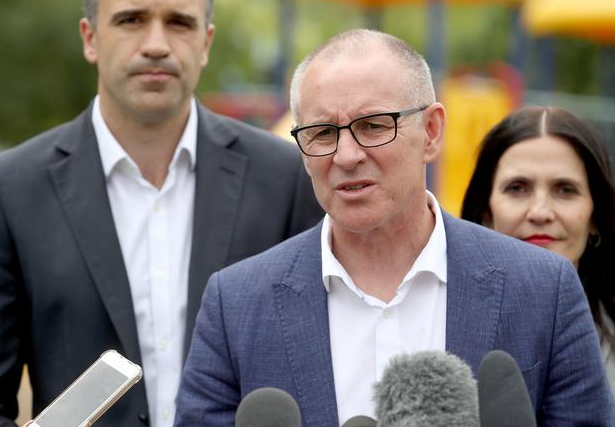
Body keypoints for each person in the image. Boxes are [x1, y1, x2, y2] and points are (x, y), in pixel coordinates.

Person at [174, 29, 615, 426]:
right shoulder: (235, 305)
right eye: (322, 133)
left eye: (372, 125)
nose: (346, 155)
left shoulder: (544, 290)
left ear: (432, 131)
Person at [0, 0, 323, 426]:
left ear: (206, 42)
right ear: (90, 38)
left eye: (179, 22)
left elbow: (318, 364)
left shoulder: (285, 177)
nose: (156, 43)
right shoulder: (10, 190)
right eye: (131, 19)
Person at [461, 105, 615, 391]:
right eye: (518, 188)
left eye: (565, 189)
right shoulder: (442, 324)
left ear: (595, 215)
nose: (540, 212)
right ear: (485, 211)